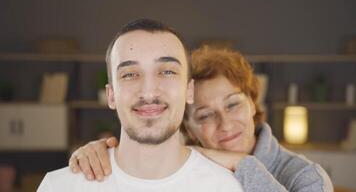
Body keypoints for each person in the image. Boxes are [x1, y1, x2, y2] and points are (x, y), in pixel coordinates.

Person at [69, 45, 334, 191]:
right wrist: (100, 152)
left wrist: (243, 164)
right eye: (206, 115)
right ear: (189, 127)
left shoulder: (305, 176)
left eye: (233, 105)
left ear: (253, 103)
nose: (225, 124)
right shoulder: (185, 169)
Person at [37, 19, 243, 192]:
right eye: (130, 74)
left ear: (189, 90)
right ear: (111, 96)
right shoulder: (59, 187)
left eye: (167, 72)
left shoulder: (227, 187)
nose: (149, 92)